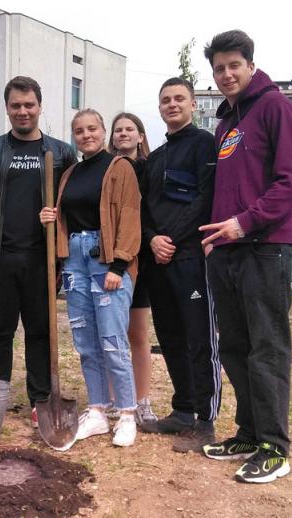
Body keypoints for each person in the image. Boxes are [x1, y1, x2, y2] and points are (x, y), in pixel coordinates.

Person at [199, 30, 292, 483]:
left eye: (233, 66)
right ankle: (247, 431)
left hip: (265, 248)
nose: (226, 75)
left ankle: (274, 446)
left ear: (250, 65)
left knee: (267, 348)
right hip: (227, 251)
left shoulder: (275, 108)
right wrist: (216, 235)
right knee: (237, 347)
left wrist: (244, 222)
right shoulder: (227, 123)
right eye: (219, 69)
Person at [0, 76, 77, 428]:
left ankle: (39, 398)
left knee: (40, 331)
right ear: (7, 109)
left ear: (39, 107)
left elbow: (72, 206)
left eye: (29, 105)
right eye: (16, 106)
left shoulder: (61, 153)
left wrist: (63, 253)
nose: (23, 111)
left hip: (42, 262)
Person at [39, 108, 141, 446]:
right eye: (80, 131)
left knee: (112, 340)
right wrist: (51, 215)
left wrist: (119, 266)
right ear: (75, 137)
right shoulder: (70, 174)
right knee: (85, 342)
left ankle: (126, 413)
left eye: (93, 128)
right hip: (75, 262)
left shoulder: (119, 168)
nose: (87, 135)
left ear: (103, 132)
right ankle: (97, 410)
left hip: (106, 258)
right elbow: (64, 217)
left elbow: (129, 214)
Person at [137, 77, 222, 454]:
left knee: (198, 338)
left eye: (179, 99)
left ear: (192, 105)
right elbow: (143, 208)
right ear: (159, 109)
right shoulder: (155, 158)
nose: (172, 105)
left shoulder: (206, 145)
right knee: (169, 336)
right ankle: (182, 410)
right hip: (159, 260)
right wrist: (152, 238)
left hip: (189, 259)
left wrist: (170, 238)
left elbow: (206, 198)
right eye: (165, 100)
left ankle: (206, 421)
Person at [107, 112, 157, 427]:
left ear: (140, 136)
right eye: (118, 130)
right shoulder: (106, 171)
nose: (123, 133)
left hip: (142, 263)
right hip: (113, 263)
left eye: (130, 129)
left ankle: (142, 401)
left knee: (137, 334)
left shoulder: (151, 169)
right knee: (112, 334)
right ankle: (114, 399)